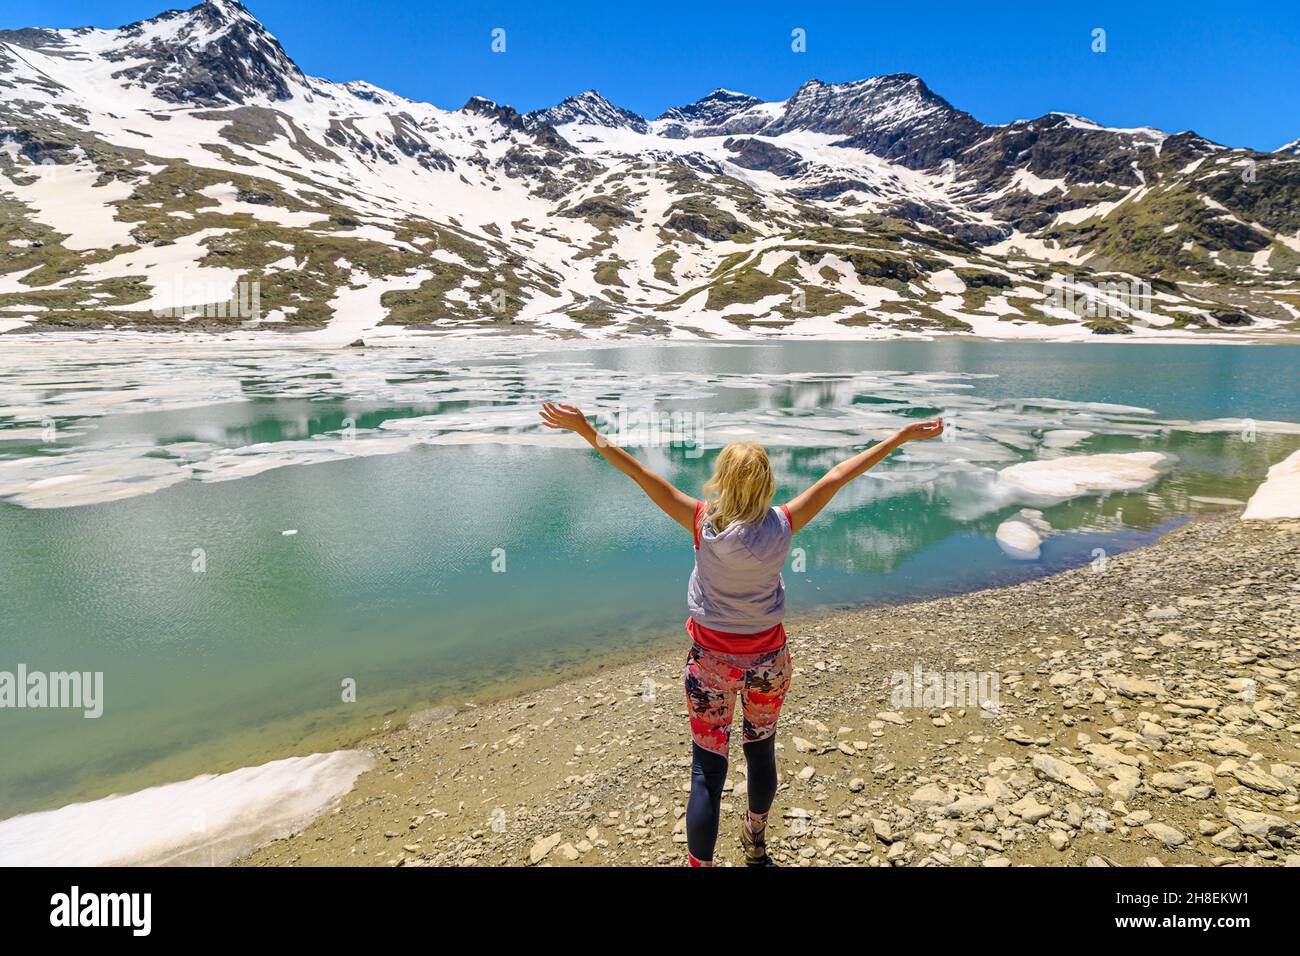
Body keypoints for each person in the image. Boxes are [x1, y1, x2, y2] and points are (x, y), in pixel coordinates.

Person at [538, 402, 944, 865]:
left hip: (710, 664)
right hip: (769, 664)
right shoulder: (783, 523)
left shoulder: (701, 523)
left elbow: (638, 473)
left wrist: (588, 431)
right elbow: (838, 476)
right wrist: (898, 438)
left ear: (722, 481)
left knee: (707, 772)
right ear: (767, 483)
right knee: (761, 753)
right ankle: (755, 844)